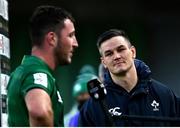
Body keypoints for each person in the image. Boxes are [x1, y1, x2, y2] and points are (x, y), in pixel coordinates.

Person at [79, 29, 180, 126]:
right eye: (109, 54)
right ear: (104, 62)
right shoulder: (92, 108)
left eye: (121, 49)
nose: (117, 56)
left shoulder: (164, 95)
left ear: (133, 52)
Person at [7, 5, 78, 126]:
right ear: (52, 39)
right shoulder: (35, 71)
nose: (75, 43)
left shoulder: (26, 70)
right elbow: (40, 113)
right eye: (71, 35)